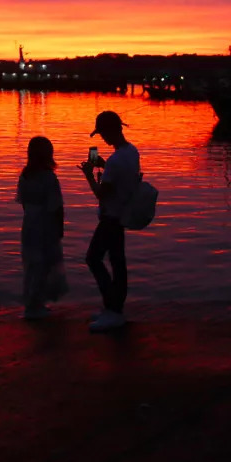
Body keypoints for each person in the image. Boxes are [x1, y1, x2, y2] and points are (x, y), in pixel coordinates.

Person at [79, 111, 139, 332]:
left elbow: (101, 194)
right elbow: (124, 179)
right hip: (121, 214)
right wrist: (105, 167)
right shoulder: (132, 152)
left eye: (103, 133)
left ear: (110, 131)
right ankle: (114, 309)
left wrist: (88, 174)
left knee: (93, 258)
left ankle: (113, 310)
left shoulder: (115, 161)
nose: (102, 138)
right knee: (117, 263)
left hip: (110, 217)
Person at [16, 136, 68, 320]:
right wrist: (59, 229)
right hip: (46, 224)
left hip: (29, 223)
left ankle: (32, 302)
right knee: (45, 263)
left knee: (32, 263)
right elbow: (56, 206)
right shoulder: (49, 177)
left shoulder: (24, 176)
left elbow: (23, 203)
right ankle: (36, 305)